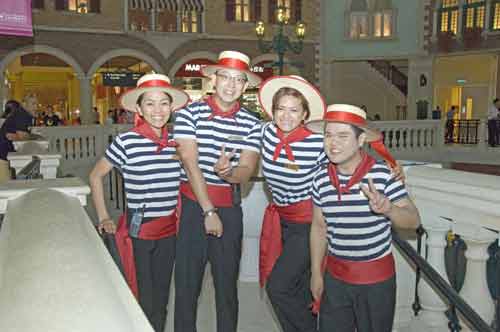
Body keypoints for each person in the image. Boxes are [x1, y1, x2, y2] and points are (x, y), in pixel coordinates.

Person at [89, 73, 189, 332]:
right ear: (139, 108)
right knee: (142, 298)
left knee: (162, 298)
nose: (158, 110)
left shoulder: (175, 144)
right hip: (140, 232)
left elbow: (186, 183)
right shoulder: (126, 142)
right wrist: (103, 216)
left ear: (171, 107)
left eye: (164, 103)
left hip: (169, 232)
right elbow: (96, 175)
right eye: (150, 104)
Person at [308, 104, 420, 332]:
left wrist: (389, 209)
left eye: (342, 136)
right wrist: (316, 273)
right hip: (335, 278)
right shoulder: (320, 177)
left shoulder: (382, 173)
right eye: (328, 135)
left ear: (361, 141)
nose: (333, 143)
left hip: (376, 281)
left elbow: (414, 220)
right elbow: (319, 227)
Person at [173, 50, 262, 332]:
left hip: (230, 209)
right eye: (226, 77)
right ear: (213, 79)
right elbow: (190, 163)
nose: (231, 85)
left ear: (245, 86)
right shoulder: (189, 114)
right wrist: (208, 210)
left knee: (226, 288)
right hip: (193, 208)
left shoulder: (252, 123)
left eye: (239, 80)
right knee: (187, 287)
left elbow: (247, 169)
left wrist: (229, 173)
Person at [257, 75, 326, 332]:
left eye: (294, 110)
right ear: (272, 111)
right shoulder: (265, 133)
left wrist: (389, 167)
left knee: (278, 286)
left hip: (311, 225)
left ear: (305, 114)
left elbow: (350, 154)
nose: (286, 115)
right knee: (299, 289)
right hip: (282, 221)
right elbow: (233, 140)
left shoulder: (318, 141)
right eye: (280, 109)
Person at [0, 98, 36, 182]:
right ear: (24, 104)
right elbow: (22, 136)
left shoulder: (25, 115)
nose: (36, 107)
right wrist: (24, 136)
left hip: (6, 155)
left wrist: (21, 136)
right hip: (2, 155)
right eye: (33, 104)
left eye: (36, 104)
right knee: (5, 187)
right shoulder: (21, 114)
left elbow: (21, 136)